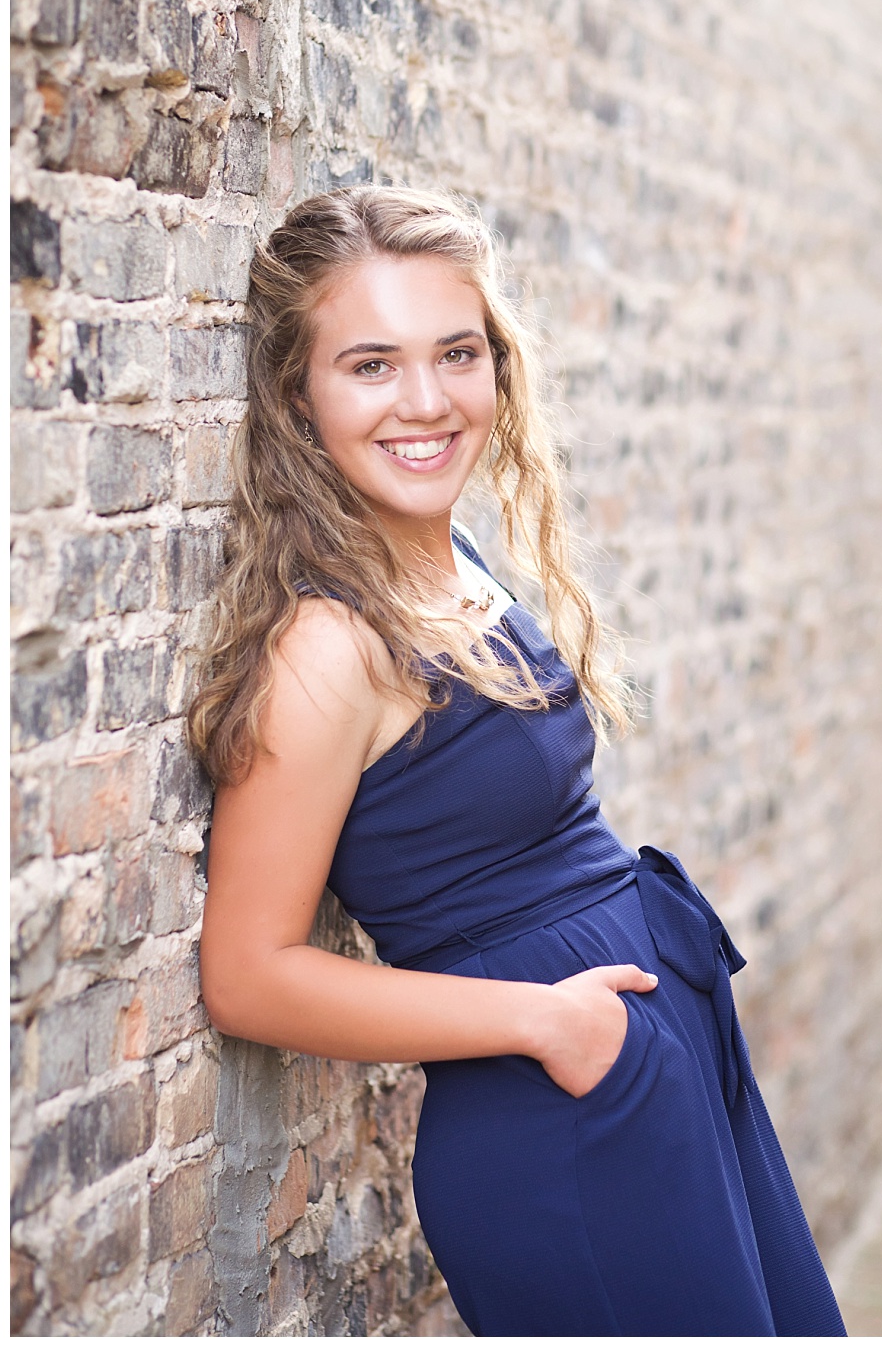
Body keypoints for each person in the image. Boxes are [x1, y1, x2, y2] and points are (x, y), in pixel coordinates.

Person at [191, 187, 846, 1335]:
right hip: (561, 1113)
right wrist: (544, 1023)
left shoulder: (451, 561)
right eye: (371, 366)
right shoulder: (330, 646)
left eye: (457, 353)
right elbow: (248, 975)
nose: (427, 401)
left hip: (651, 1066)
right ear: (297, 396)